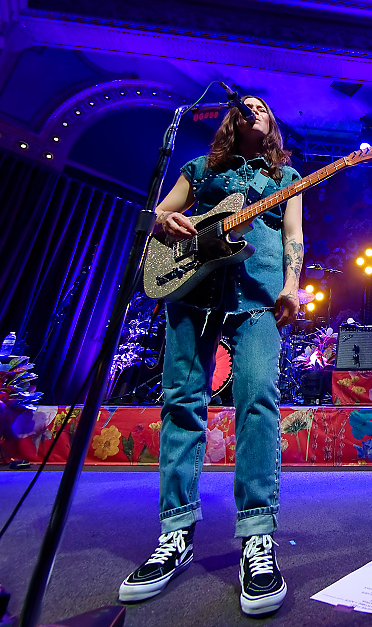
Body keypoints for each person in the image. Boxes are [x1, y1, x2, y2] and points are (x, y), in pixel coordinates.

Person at [118, 92, 303, 616]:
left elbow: (294, 235)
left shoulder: (288, 180)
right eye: (246, 106)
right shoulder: (199, 169)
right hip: (189, 287)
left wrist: (292, 284)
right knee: (181, 404)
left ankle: (257, 537)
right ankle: (175, 534)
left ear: (272, 124)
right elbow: (162, 214)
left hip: (261, 296)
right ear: (232, 120)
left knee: (258, 402)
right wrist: (165, 219)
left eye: (264, 106)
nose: (256, 110)